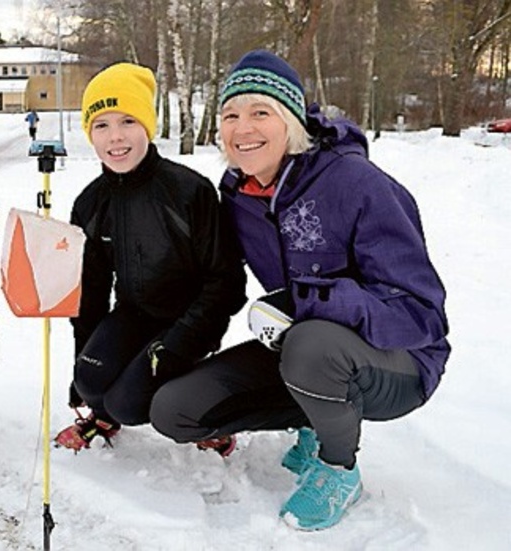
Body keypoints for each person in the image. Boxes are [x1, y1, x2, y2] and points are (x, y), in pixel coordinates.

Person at [149, 50, 450, 530]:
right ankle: (316, 417)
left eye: (259, 113)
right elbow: (215, 275)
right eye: (230, 115)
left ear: (289, 121)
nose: (243, 129)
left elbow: (423, 316)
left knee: (312, 345)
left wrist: (314, 301)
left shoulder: (357, 184)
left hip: (401, 364)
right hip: (304, 346)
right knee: (174, 410)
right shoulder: (239, 194)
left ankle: (338, 469)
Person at [54, 62, 246, 453]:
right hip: (135, 313)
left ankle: (204, 411)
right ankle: (103, 414)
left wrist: (177, 344)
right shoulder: (91, 202)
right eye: (101, 125)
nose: (115, 138)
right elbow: (90, 291)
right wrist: (82, 359)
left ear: (147, 124)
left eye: (127, 121)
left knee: (130, 402)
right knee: (92, 383)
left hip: (191, 320)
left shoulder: (188, 191)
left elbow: (226, 283)